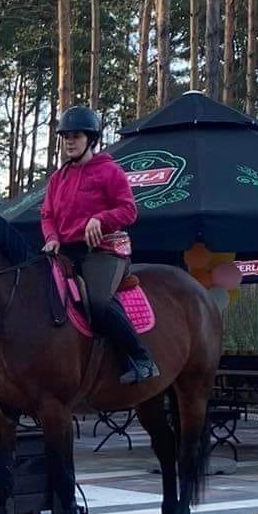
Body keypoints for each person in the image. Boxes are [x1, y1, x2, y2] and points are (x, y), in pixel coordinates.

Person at [39, 106, 158, 385]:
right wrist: (52, 238)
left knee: (99, 303)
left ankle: (142, 358)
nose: (69, 141)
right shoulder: (57, 179)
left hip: (104, 251)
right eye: (65, 136)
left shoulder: (109, 171)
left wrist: (100, 219)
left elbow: (129, 211)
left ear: (91, 139)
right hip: (66, 251)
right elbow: (47, 215)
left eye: (76, 135)